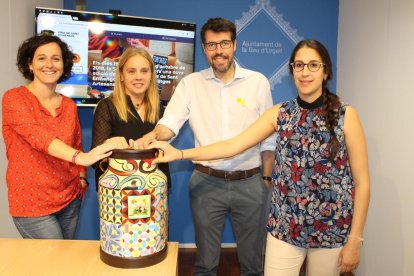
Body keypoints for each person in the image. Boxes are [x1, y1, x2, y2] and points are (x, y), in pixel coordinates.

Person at [148, 39, 370, 276]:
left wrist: (355, 240)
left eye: (313, 65)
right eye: (299, 65)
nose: (305, 72)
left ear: (325, 71)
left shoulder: (346, 115)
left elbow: (362, 183)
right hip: (285, 227)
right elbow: (232, 146)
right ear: (292, 70)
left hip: (331, 228)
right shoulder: (279, 114)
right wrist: (181, 153)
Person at [131, 17, 276, 275]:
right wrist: (153, 135)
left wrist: (265, 178)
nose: (218, 50)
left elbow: (268, 138)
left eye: (224, 43)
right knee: (205, 264)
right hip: (206, 183)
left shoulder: (258, 83)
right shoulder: (190, 84)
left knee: (253, 263)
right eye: (211, 45)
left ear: (234, 45)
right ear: (205, 48)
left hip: (250, 183)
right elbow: (170, 124)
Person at [2, 35, 114, 239]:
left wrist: (81, 176)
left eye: (56, 58)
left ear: (64, 64)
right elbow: (38, 137)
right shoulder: (14, 98)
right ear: (30, 64)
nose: (49, 64)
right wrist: (82, 158)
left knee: (63, 261)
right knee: (53, 260)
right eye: (41, 58)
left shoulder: (69, 105)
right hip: (31, 202)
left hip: (70, 198)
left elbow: (76, 142)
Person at [91, 46, 170, 187]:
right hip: (118, 192)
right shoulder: (107, 106)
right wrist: (109, 146)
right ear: (121, 75)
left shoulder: (159, 108)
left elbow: (165, 151)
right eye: (131, 71)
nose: (138, 77)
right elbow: (95, 160)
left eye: (144, 71)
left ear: (151, 74)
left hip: (154, 190)